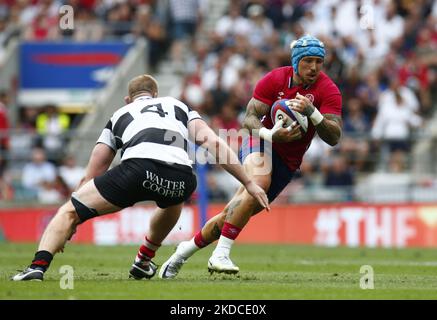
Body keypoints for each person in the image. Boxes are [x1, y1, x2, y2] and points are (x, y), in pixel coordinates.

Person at [12, 74, 269, 281]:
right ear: (155, 94)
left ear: (128, 99)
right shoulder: (178, 106)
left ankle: (37, 266)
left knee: (68, 210)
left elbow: (94, 170)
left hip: (136, 170)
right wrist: (248, 183)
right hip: (182, 177)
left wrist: (75, 218)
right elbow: (213, 142)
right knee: (173, 201)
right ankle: (143, 261)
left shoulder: (119, 115)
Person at [159, 35, 343, 278]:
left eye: (319, 62)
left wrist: (313, 113)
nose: (314, 67)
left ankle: (182, 252)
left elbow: (334, 136)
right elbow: (249, 119)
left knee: (232, 214)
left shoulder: (328, 90)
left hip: (287, 163)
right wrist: (270, 134)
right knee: (259, 184)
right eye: (308, 61)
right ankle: (220, 255)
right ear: (297, 61)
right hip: (260, 141)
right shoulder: (275, 79)